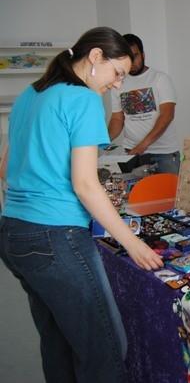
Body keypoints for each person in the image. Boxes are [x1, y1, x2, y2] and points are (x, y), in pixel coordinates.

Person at [0, 27, 164, 383]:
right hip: (55, 237)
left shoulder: (30, 94)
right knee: (105, 349)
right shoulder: (84, 99)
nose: (117, 84)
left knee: (57, 341)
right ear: (95, 57)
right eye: (117, 73)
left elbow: (5, 168)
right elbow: (86, 185)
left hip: (13, 233)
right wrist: (132, 243)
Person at [108, 33, 180, 174]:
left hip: (164, 154)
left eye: (135, 56)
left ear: (143, 55)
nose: (132, 62)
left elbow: (167, 116)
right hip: (131, 153)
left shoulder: (160, 79)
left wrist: (142, 145)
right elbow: (117, 119)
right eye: (126, 58)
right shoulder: (118, 84)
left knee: (168, 189)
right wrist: (103, 140)